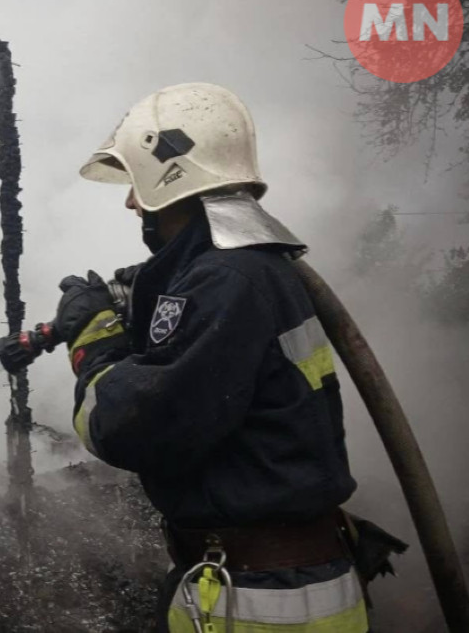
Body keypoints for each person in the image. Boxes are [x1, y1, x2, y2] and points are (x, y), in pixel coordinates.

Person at [54, 83, 370, 632]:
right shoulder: (251, 269)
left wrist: (96, 342)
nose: (131, 203)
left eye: (136, 184)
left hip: (258, 605)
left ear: (170, 175)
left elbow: (132, 428)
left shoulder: (226, 280)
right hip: (266, 584)